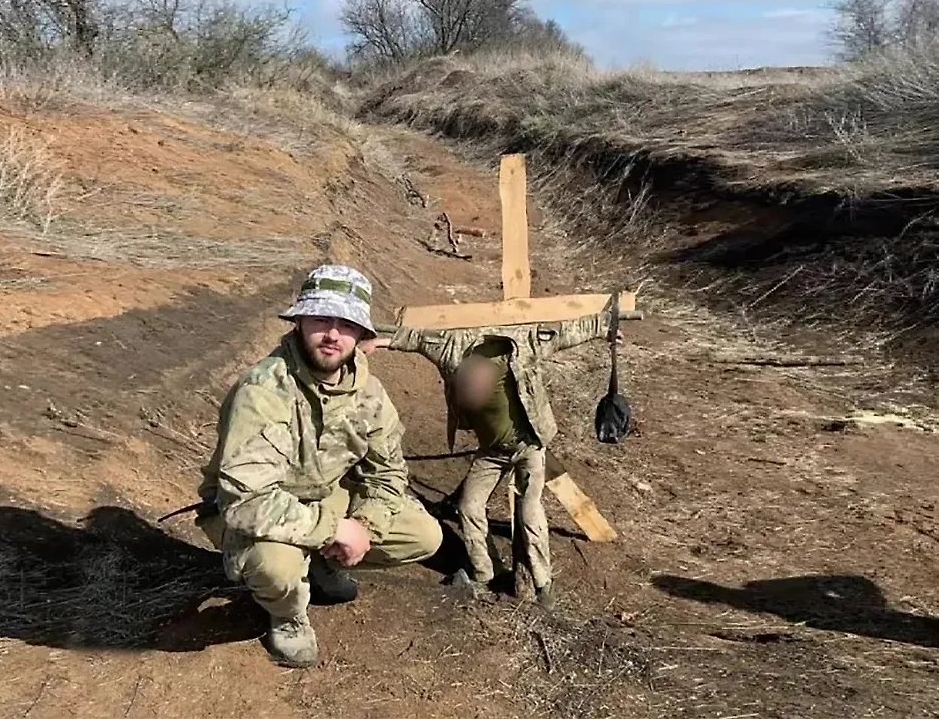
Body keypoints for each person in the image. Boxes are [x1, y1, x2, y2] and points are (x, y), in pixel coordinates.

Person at [195, 265, 443, 668]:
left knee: (423, 535)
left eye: (346, 323)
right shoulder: (263, 392)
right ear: (299, 321)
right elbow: (246, 502)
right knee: (274, 568)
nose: (332, 334)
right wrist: (334, 528)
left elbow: (389, 473)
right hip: (256, 509)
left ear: (362, 335)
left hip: (324, 496)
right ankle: (287, 616)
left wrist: (365, 526)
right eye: (322, 319)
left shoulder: (369, 392)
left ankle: (323, 562)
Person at [362, 311, 622, 608]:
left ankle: (543, 582)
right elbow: (417, 339)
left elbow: (566, 333)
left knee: (529, 514)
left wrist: (606, 328)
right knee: (469, 506)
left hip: (529, 447)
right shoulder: (452, 352)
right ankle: (484, 575)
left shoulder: (524, 346)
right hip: (491, 453)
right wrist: (381, 342)